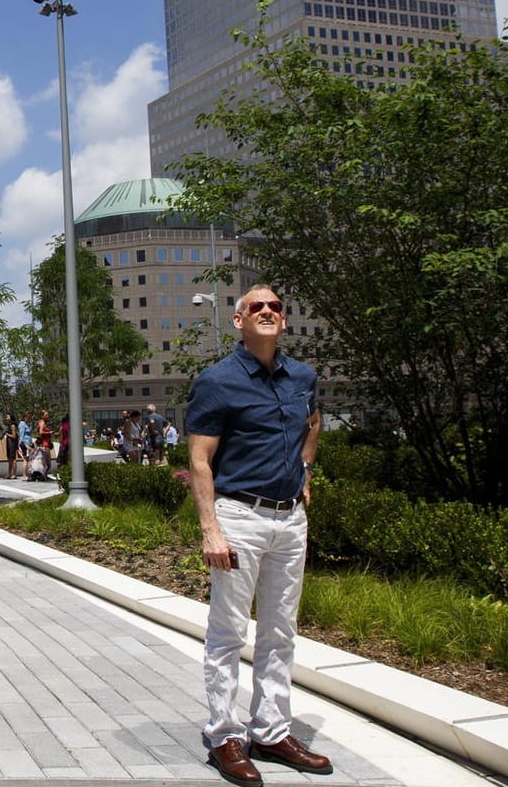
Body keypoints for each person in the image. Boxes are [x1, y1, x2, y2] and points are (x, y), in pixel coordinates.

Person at [185, 284, 329, 785]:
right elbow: (200, 459)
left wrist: (305, 472)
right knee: (228, 631)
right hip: (240, 518)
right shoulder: (217, 381)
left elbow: (313, 423)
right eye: (256, 307)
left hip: (290, 520)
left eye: (275, 307)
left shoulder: (303, 378)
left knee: (279, 631)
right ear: (238, 321)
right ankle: (225, 735)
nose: (267, 311)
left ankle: (270, 730)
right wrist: (211, 529)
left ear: (284, 321)